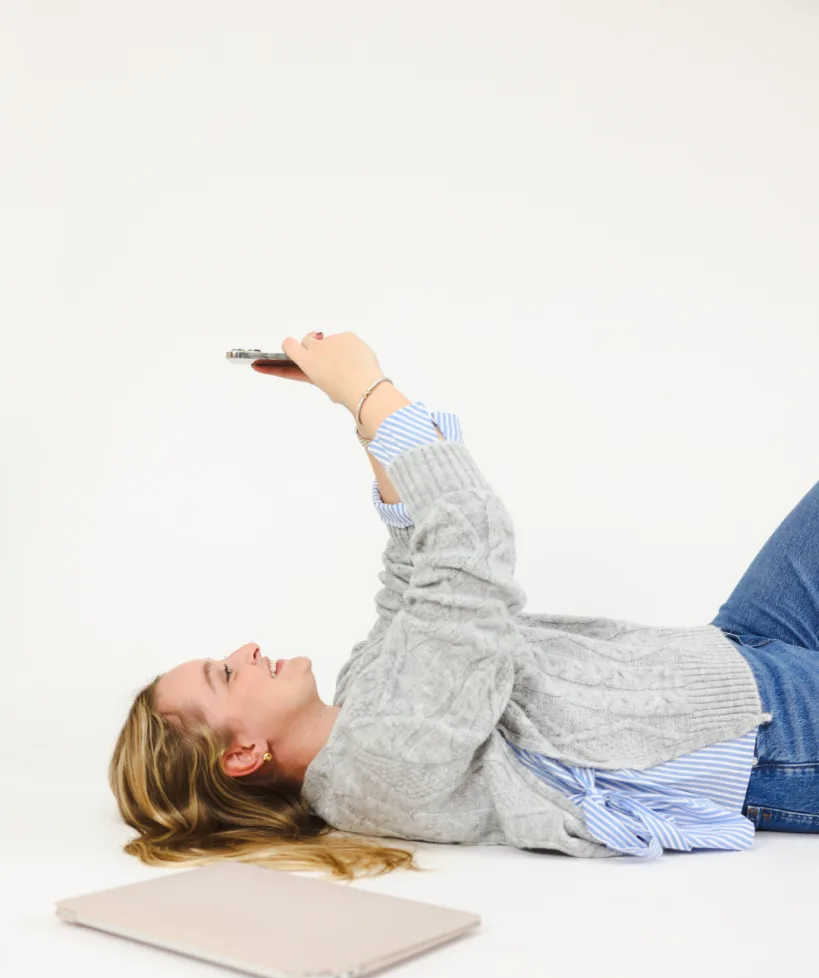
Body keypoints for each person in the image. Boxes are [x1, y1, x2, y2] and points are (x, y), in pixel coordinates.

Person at [109, 331, 819, 881]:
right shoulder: (382, 767)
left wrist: (362, 423)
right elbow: (469, 559)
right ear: (242, 755)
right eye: (224, 676)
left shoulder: (361, 709)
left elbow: (415, 571)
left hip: (738, 652)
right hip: (779, 739)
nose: (244, 653)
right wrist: (371, 390)